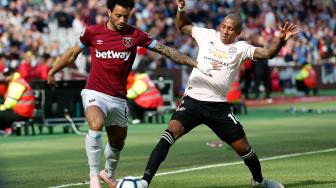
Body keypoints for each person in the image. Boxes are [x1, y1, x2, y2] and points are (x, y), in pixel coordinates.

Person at [47, 1, 221, 188]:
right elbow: (72, 53)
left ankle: (108, 173)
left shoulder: (135, 35)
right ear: (109, 12)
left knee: (117, 142)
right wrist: (52, 71)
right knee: (95, 124)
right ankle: (94, 177)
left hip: (119, 97)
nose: (122, 20)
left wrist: (196, 63)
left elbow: (167, 51)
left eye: (126, 16)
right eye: (118, 15)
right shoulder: (92, 32)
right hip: (95, 91)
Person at [137, 1, 298, 188]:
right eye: (224, 26)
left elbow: (268, 53)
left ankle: (259, 182)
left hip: (218, 107)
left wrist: (280, 39)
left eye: (230, 29)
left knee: (244, 149)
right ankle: (144, 182)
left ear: (238, 33)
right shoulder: (207, 35)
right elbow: (182, 25)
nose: (225, 31)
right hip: (193, 101)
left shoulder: (241, 48)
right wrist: (181, 10)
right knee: (169, 133)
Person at [0, 66, 35, 134]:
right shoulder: (18, 81)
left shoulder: (16, 84)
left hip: (21, 113)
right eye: (5, 75)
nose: (6, 77)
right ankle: (6, 130)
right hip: (23, 112)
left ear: (13, 74)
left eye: (8, 75)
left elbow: (10, 103)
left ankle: (4, 131)